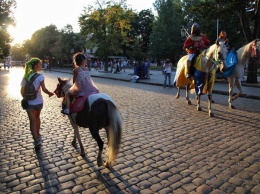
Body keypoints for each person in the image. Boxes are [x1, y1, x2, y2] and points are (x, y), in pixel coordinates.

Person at [20, 58, 54, 149]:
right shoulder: (40, 77)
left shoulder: (25, 77)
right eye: (40, 64)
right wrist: (50, 93)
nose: (41, 66)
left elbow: (22, 90)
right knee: (37, 118)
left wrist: (26, 97)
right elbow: (44, 89)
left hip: (29, 102)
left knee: (32, 121)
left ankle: (36, 140)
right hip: (38, 101)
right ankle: (38, 134)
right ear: (35, 66)